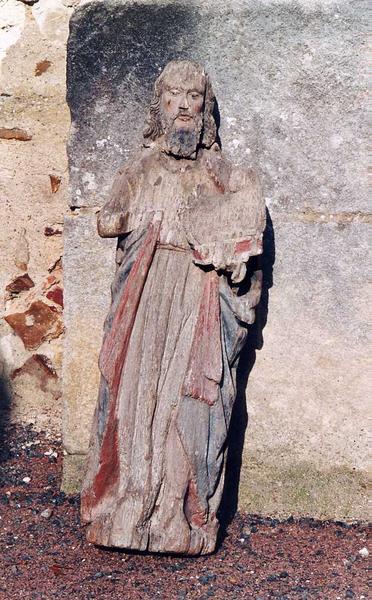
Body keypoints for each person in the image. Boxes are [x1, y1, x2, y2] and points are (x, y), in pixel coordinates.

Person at [80, 60, 265, 555]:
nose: (184, 105)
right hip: (148, 294)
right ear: (159, 106)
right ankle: (127, 508)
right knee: (137, 403)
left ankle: (178, 518)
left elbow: (249, 216)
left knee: (186, 406)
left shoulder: (218, 170)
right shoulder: (142, 169)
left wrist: (230, 223)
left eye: (194, 97)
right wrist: (142, 214)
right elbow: (107, 219)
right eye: (174, 96)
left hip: (198, 294)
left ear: (206, 110)